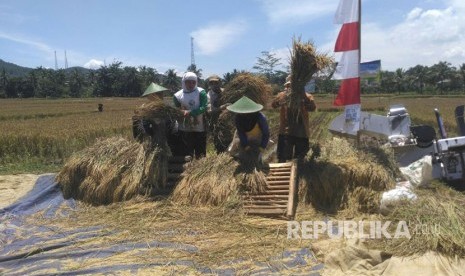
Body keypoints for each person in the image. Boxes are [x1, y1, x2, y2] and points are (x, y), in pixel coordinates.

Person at [271, 75, 316, 162]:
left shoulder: (307, 96)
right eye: (289, 85)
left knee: (300, 159)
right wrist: (281, 101)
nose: (291, 87)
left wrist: (303, 96)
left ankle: (299, 175)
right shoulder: (282, 95)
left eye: (294, 85)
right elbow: (273, 105)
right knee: (283, 158)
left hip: (302, 132)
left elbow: (313, 108)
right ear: (287, 86)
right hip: (285, 131)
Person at [173, 72, 208, 159]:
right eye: (188, 82)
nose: (191, 84)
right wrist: (181, 112)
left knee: (201, 151)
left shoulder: (201, 92)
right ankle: (188, 169)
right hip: (185, 127)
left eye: (193, 82)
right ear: (184, 82)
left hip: (200, 126)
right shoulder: (177, 96)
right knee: (187, 151)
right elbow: (177, 110)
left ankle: (201, 168)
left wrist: (190, 112)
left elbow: (204, 107)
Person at [206, 74, 229, 153]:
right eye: (211, 83)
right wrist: (222, 107)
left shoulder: (226, 92)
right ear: (209, 84)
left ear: (220, 83)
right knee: (219, 142)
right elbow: (209, 111)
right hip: (216, 122)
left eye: (216, 83)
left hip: (228, 122)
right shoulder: (208, 96)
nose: (214, 85)